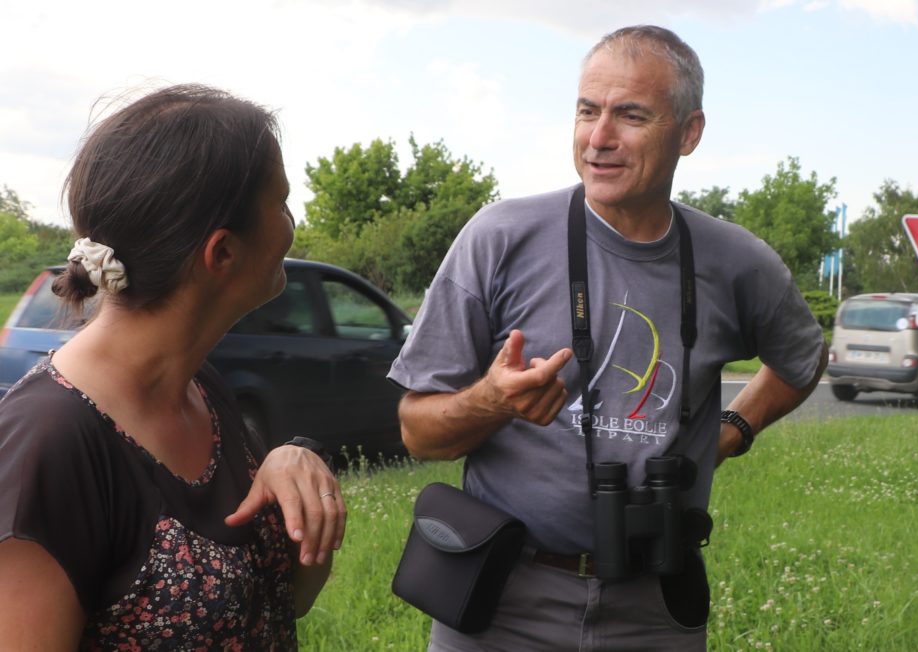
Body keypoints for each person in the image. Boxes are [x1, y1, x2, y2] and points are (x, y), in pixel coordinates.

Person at [388, 25, 828, 651]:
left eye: (631, 115)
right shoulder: (498, 238)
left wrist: (734, 431)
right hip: (500, 601)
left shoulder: (739, 263)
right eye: (587, 111)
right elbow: (416, 431)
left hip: (656, 605)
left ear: (689, 132)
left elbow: (803, 360)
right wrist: (491, 401)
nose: (599, 139)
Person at [0, 85, 345, 650]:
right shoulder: (49, 445)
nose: (292, 223)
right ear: (222, 253)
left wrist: (297, 474)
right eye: (280, 202)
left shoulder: (200, 389)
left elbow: (282, 604)